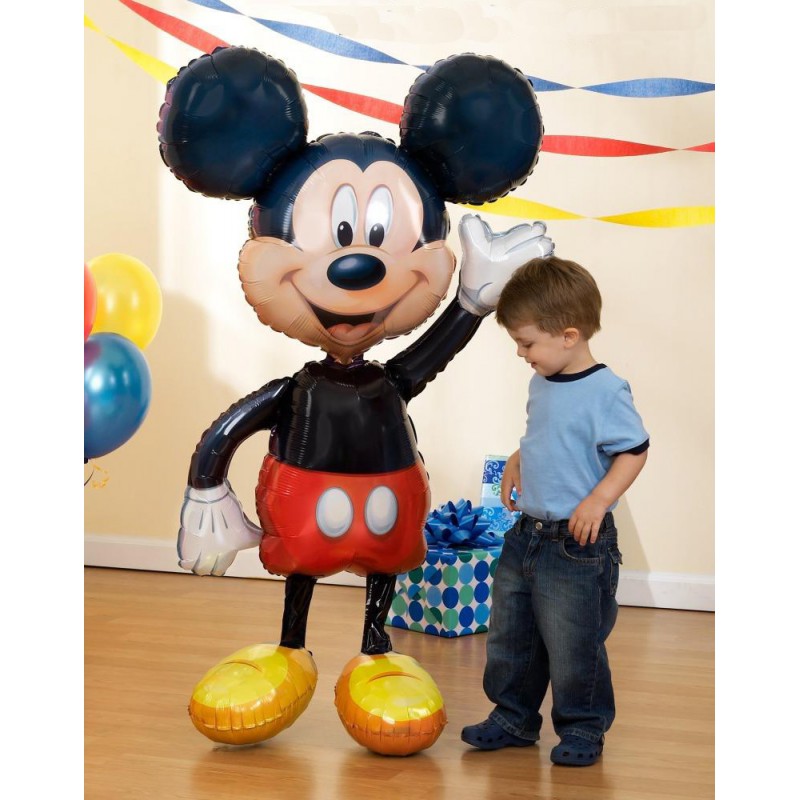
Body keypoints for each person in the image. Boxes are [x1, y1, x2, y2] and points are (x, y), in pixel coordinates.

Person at [461, 255, 649, 766]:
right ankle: (513, 716)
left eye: (527, 343)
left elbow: (634, 450)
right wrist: (519, 457)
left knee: (574, 644)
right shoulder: (542, 381)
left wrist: (599, 500)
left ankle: (583, 727)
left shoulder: (606, 390)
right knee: (511, 634)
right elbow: (549, 434)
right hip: (527, 534)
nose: (521, 354)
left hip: (577, 546)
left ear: (568, 336)